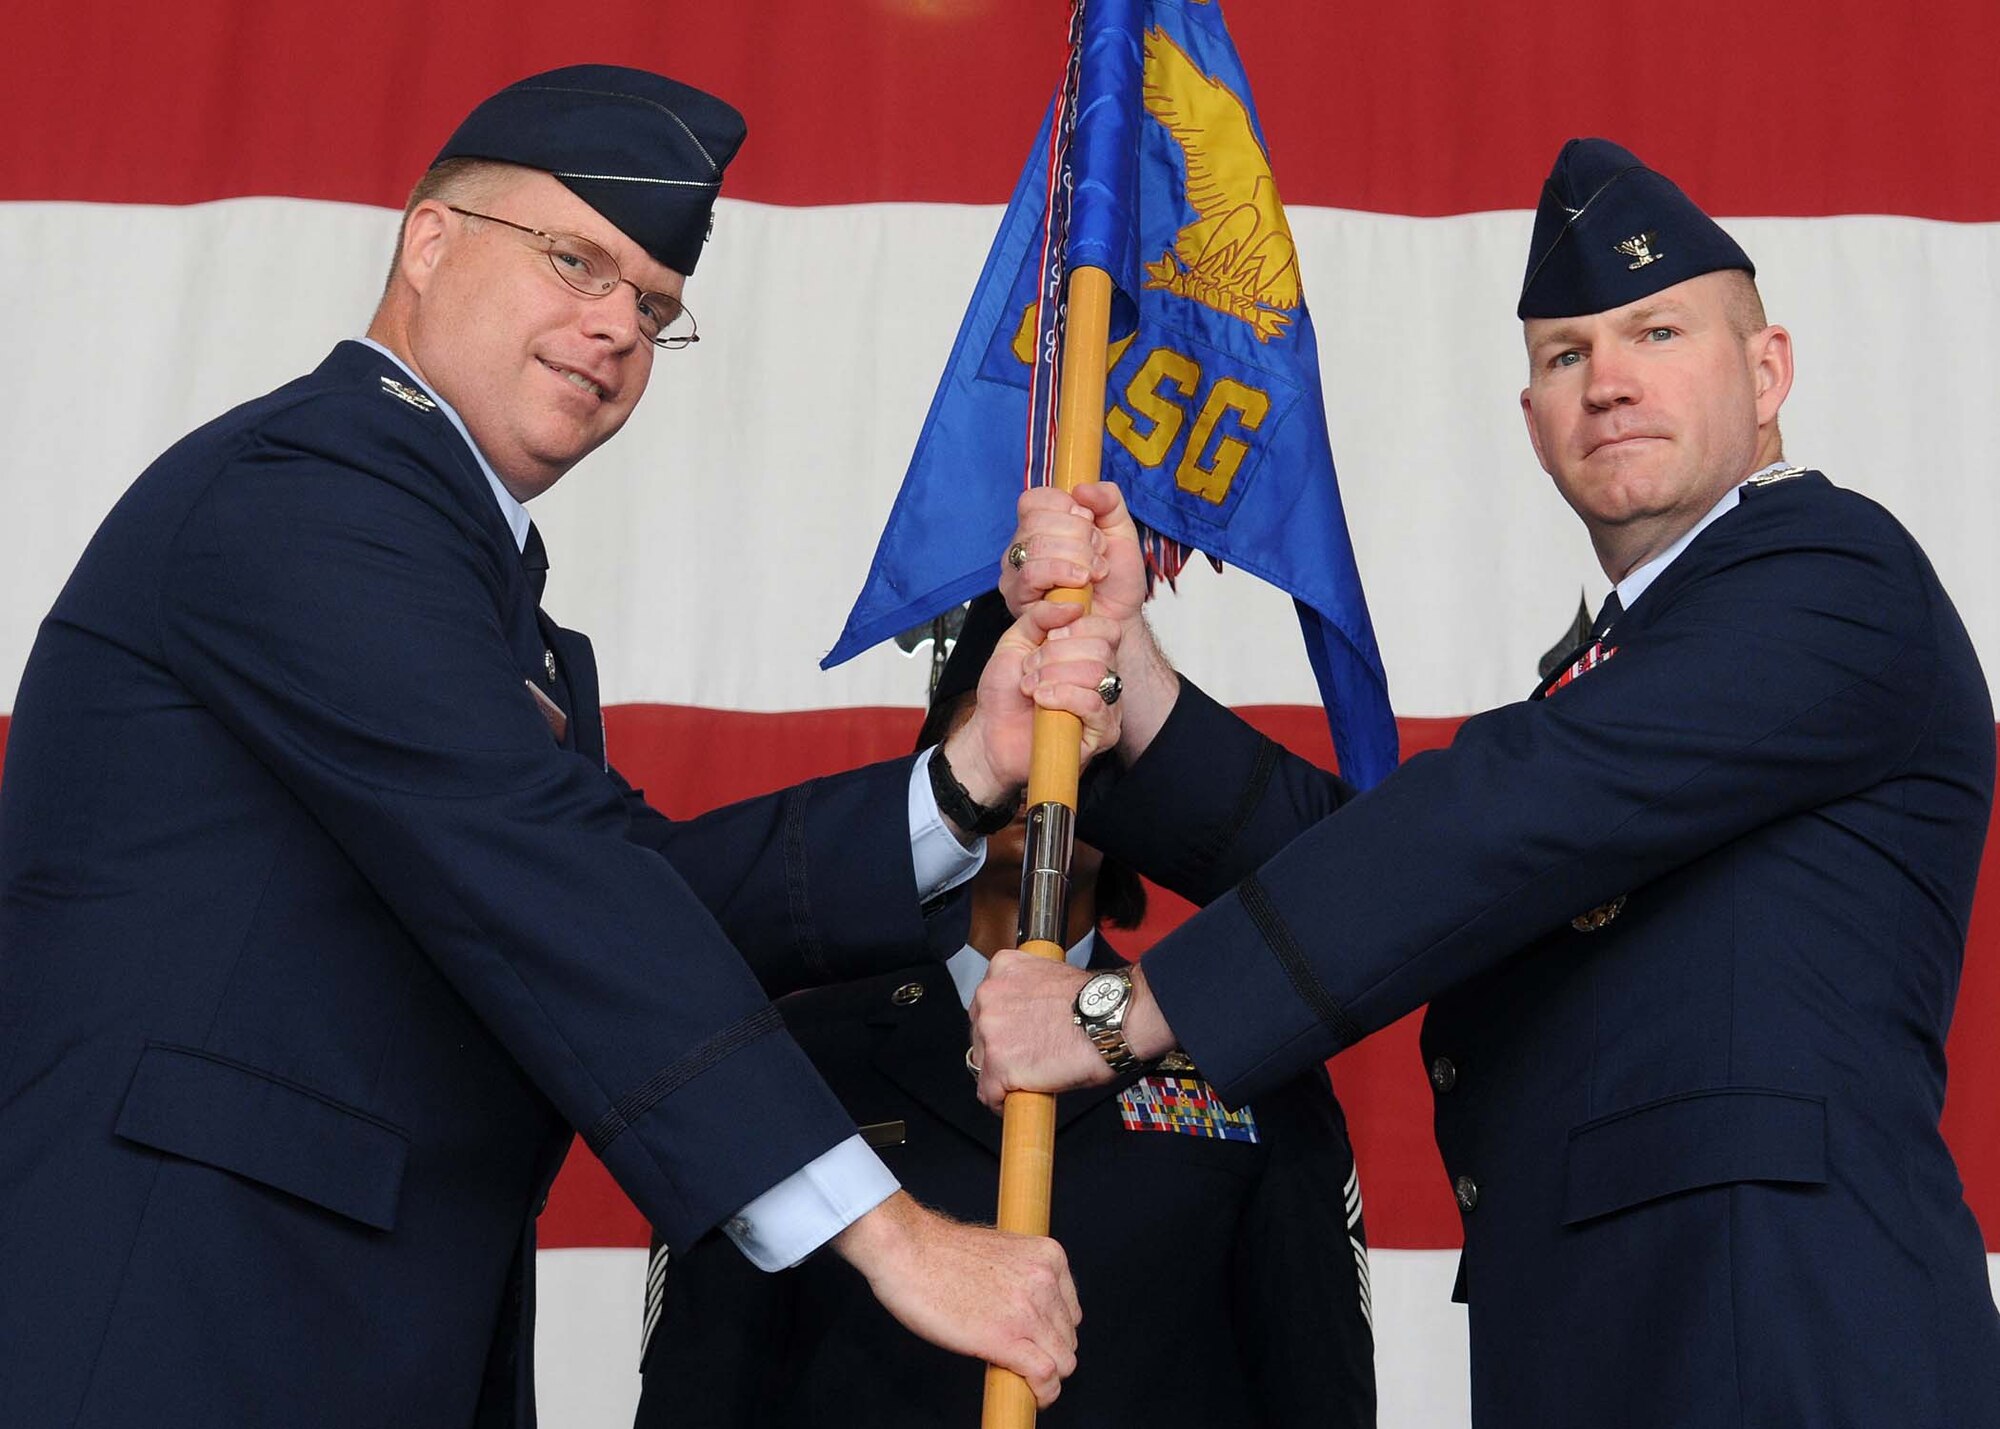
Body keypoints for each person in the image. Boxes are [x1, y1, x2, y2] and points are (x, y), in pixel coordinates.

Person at [0, 67, 1122, 1427]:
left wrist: (963, 777)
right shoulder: (305, 498)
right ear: (429, 240)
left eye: (652, 306)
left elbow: (632, 890)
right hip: (184, 1327)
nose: (615, 330)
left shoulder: (471, 585)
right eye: (575, 262)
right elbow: (553, 882)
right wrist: (889, 1231)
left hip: (348, 1329)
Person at [970, 137, 2000, 1426]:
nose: (1609, 382)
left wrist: (1121, 1012)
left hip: (1782, 1349)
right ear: (1531, 421)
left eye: (1657, 332)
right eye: (1566, 356)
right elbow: (1419, 861)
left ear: (1767, 368)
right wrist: (1129, 673)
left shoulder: (1833, 577)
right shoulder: (1624, 666)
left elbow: (1490, 824)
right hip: (1609, 1345)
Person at [632, 592, 1377, 1428]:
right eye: (1017, 721)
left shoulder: (1244, 1054)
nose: (1044, 763)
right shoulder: (790, 1052)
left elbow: (1319, 1390)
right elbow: (698, 1387)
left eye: (1074, 730)